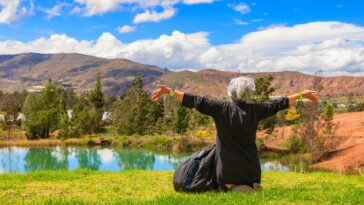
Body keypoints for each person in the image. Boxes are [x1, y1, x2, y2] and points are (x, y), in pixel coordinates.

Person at [151, 76, 320, 192]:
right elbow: (278, 104)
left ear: (231, 92)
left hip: (227, 169)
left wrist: (170, 92)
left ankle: (231, 186)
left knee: (226, 181)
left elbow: (196, 101)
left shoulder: (220, 108)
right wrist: (300, 95)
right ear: (249, 93)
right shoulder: (256, 110)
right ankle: (251, 185)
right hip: (251, 168)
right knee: (248, 179)